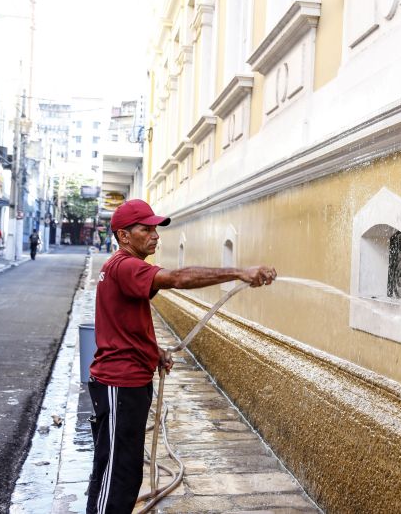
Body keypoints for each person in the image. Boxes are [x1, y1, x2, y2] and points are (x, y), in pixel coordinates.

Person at [86, 199, 276, 513]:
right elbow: (178, 278)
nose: (155, 235)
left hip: (128, 382)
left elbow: (124, 323)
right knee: (116, 474)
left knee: (125, 471)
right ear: (123, 235)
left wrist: (154, 351)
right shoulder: (126, 266)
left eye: (155, 229)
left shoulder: (122, 268)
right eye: (145, 229)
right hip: (119, 384)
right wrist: (239, 272)